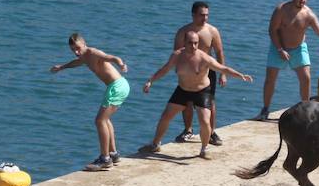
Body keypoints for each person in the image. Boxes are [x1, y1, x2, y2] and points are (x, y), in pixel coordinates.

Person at [139, 31, 252, 159]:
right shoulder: (177, 55)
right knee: (165, 116)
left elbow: (222, 68)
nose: (193, 46)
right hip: (183, 90)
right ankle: (155, 144)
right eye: (190, 43)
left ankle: (204, 149)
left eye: (196, 43)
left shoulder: (204, 58)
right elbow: (164, 69)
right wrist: (151, 81)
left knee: (204, 121)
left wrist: (240, 75)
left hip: (202, 91)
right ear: (184, 43)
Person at [256, 0, 319, 121]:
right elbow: (272, 30)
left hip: (298, 49)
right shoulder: (281, 10)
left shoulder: (308, 14)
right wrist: (280, 49)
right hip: (278, 47)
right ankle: (265, 110)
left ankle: (306, 109)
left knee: (306, 78)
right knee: (270, 79)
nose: (302, 0)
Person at [49, 33, 129, 171]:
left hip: (117, 86)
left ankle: (105, 159)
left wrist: (121, 64)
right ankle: (113, 154)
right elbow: (77, 62)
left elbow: (112, 57)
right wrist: (62, 67)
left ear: (84, 43)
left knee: (99, 121)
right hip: (117, 86)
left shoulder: (92, 52)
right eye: (73, 50)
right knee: (105, 120)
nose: (76, 52)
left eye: (78, 48)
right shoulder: (84, 57)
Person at [171, 1, 228, 147]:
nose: (205, 18)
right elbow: (176, 53)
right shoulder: (183, 32)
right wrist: (178, 69)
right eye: (202, 15)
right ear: (193, 15)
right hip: (188, 70)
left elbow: (219, 52)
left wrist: (223, 73)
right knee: (187, 101)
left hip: (207, 71)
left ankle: (211, 132)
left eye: (207, 15)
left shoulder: (212, 31)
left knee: (210, 102)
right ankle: (188, 130)